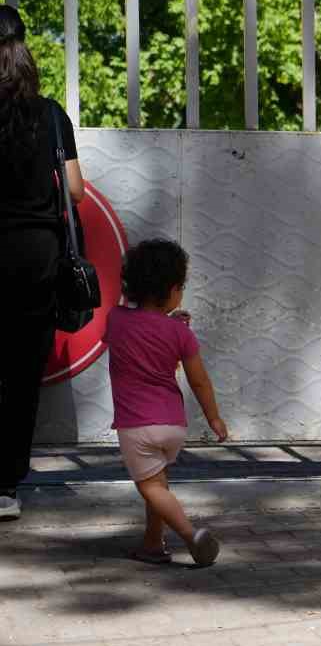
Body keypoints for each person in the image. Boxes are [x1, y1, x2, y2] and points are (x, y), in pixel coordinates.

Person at [0, 5, 85, 522]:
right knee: (21, 372)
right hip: (35, 257)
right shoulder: (51, 114)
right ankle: (5, 487)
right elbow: (73, 189)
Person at [107, 238, 229, 566]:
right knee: (158, 482)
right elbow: (199, 380)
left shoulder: (115, 320)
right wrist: (214, 418)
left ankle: (191, 535)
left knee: (150, 488)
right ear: (174, 289)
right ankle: (152, 545)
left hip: (136, 425)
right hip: (173, 425)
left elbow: (133, 325)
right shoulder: (180, 333)